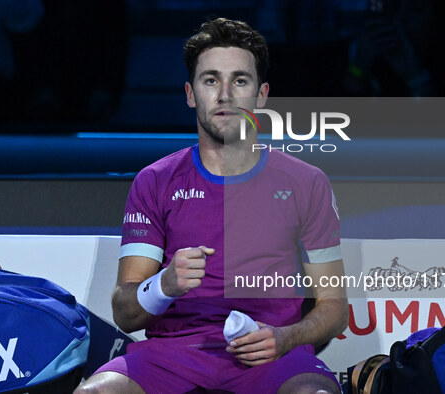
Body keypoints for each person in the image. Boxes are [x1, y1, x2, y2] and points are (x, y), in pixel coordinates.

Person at [75, 18, 348, 394]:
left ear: (261, 94)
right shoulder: (156, 180)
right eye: (210, 80)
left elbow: (334, 307)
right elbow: (125, 311)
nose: (224, 95)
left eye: (239, 80)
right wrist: (165, 284)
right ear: (191, 94)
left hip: (273, 356)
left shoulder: (305, 181)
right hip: (171, 356)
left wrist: (285, 337)